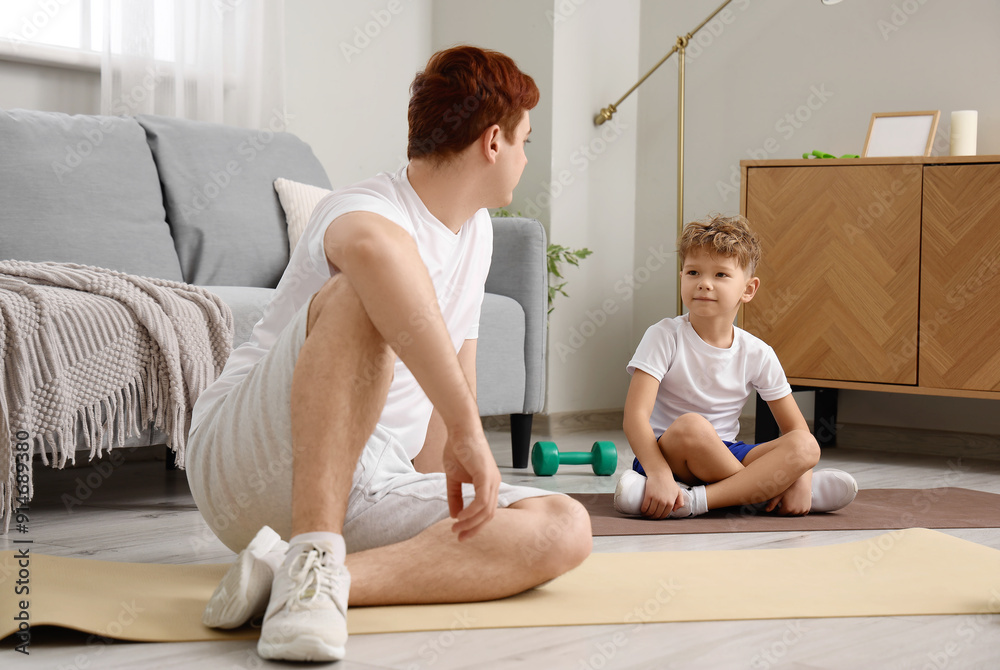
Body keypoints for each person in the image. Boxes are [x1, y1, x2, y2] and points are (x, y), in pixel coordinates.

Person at [185, 46, 592, 662]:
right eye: (524, 141)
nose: (525, 159)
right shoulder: (364, 207)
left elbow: (457, 366)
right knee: (359, 292)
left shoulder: (476, 232)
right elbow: (373, 254)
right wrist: (467, 432)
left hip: (368, 481)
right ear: (492, 142)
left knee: (564, 527)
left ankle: (297, 580)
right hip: (247, 459)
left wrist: (445, 495)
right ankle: (316, 549)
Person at [614, 215, 858, 520]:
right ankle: (766, 492)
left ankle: (696, 500)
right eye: (693, 272)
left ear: (749, 289)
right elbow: (635, 417)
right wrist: (660, 474)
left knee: (807, 446)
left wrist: (802, 477)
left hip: (727, 452)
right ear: (681, 278)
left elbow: (795, 429)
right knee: (693, 425)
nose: (704, 283)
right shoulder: (663, 336)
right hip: (667, 454)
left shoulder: (757, 352)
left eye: (720, 274)